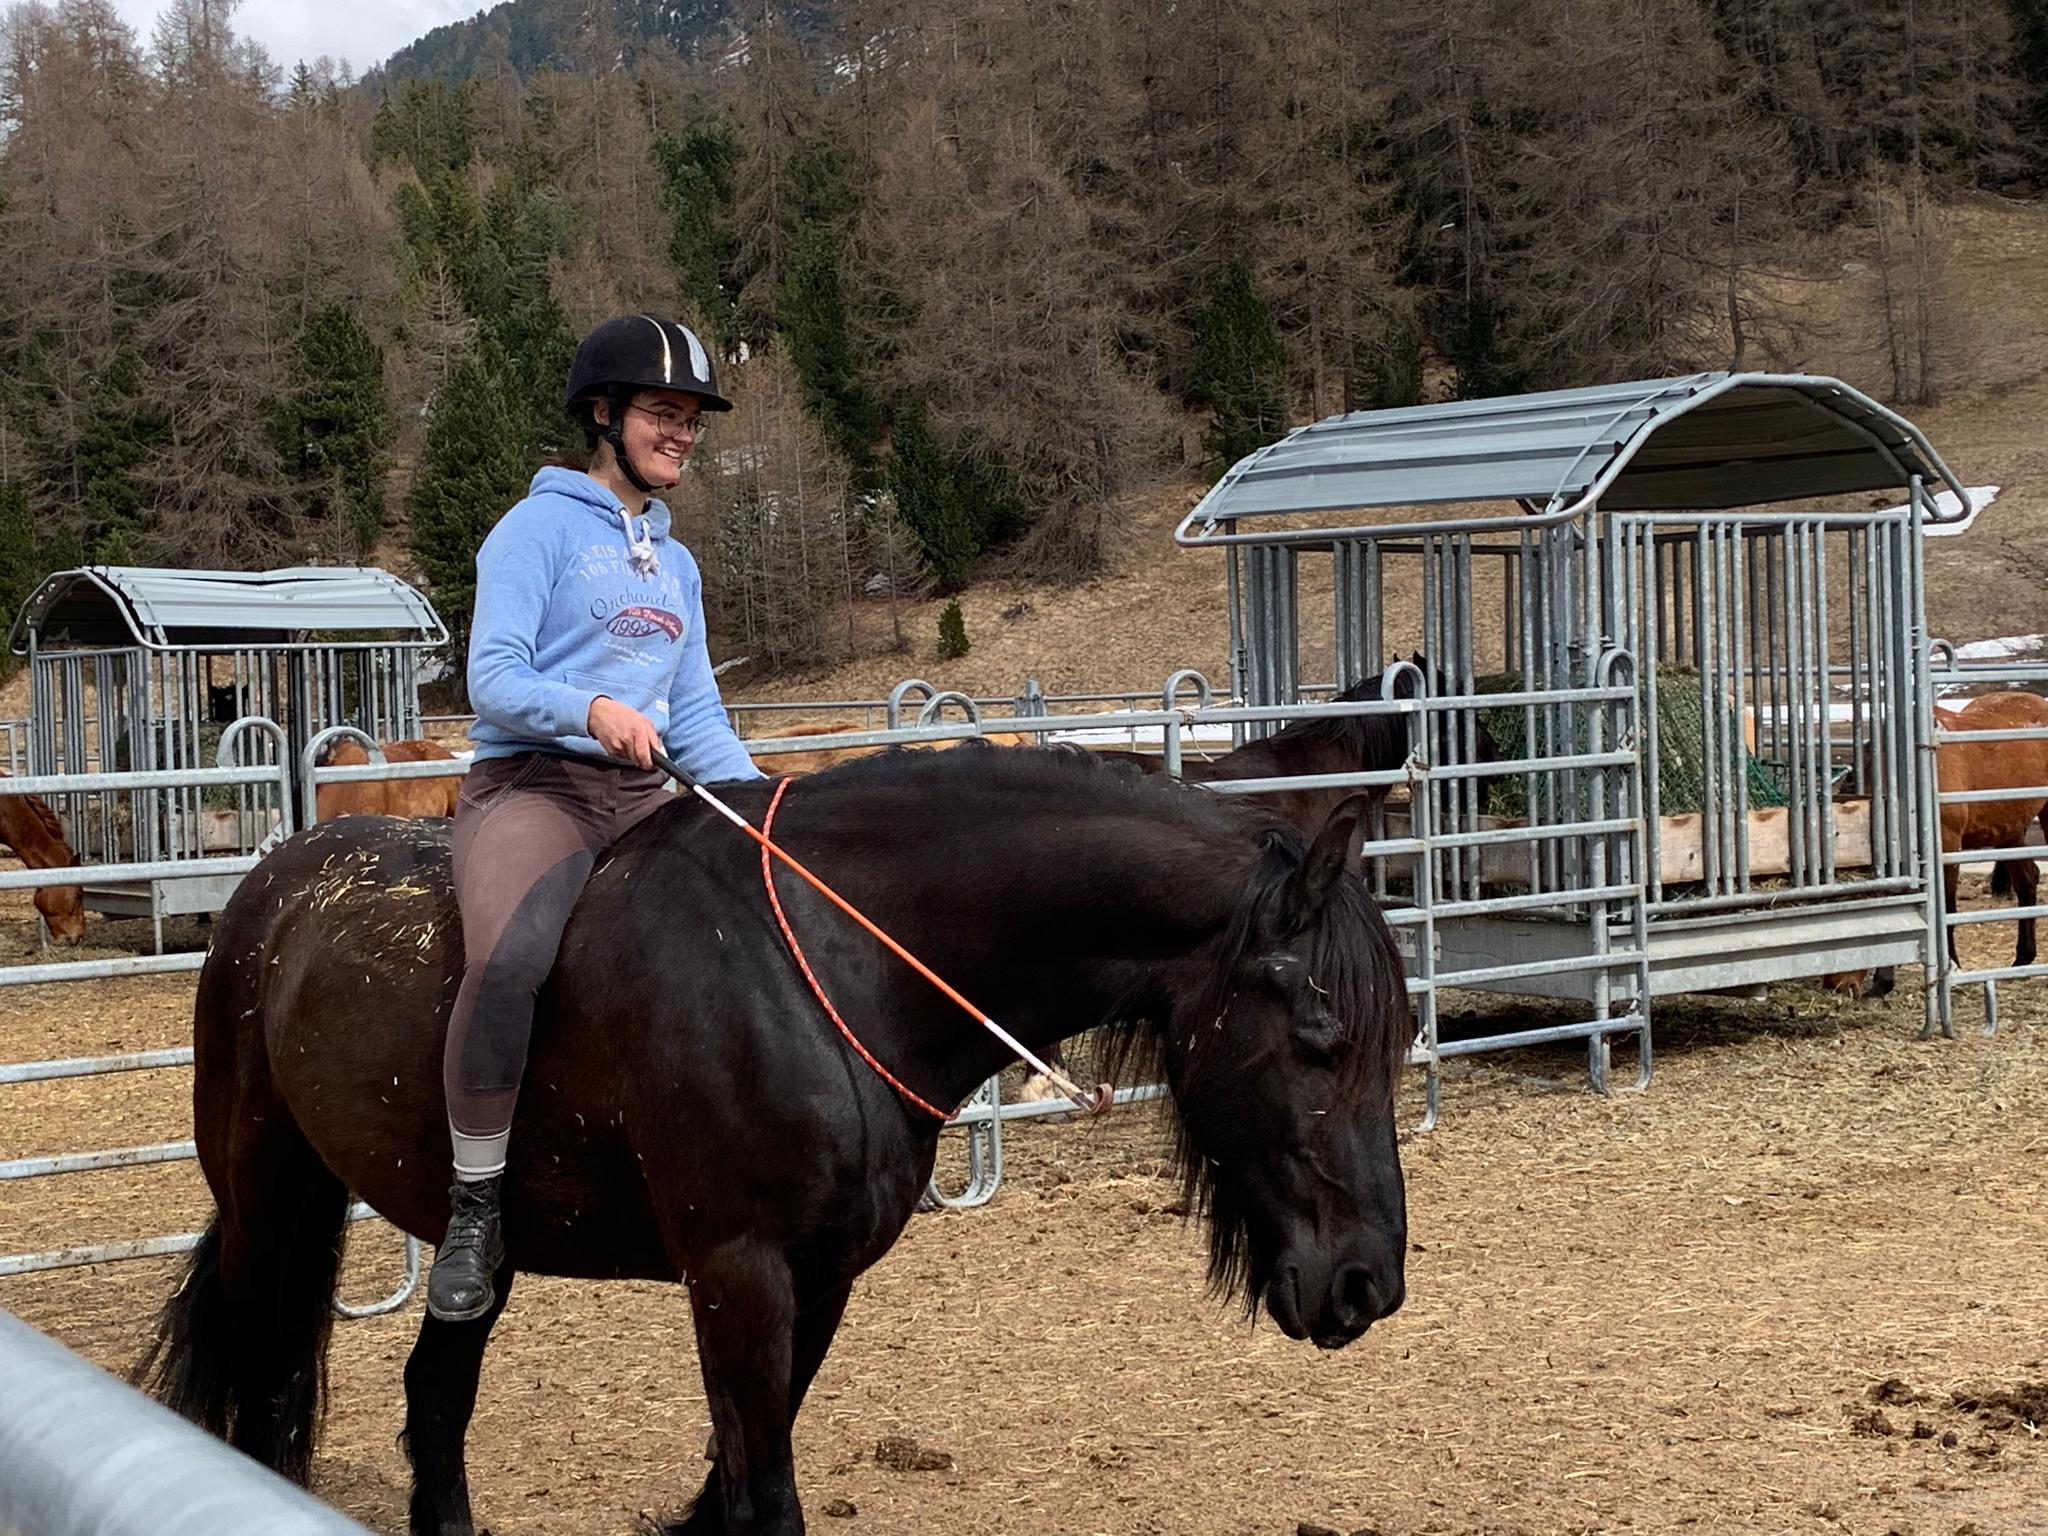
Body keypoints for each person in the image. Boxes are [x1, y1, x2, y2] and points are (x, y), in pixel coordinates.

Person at [427, 313, 765, 1323]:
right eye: (664, 413)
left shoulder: (677, 565)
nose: (683, 434)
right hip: (537, 788)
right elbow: (492, 679)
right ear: (605, 415)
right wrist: (592, 710)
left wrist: (764, 810)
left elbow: (695, 716)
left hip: (641, 798)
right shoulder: (532, 532)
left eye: (692, 420)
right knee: (509, 961)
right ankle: (474, 1205)